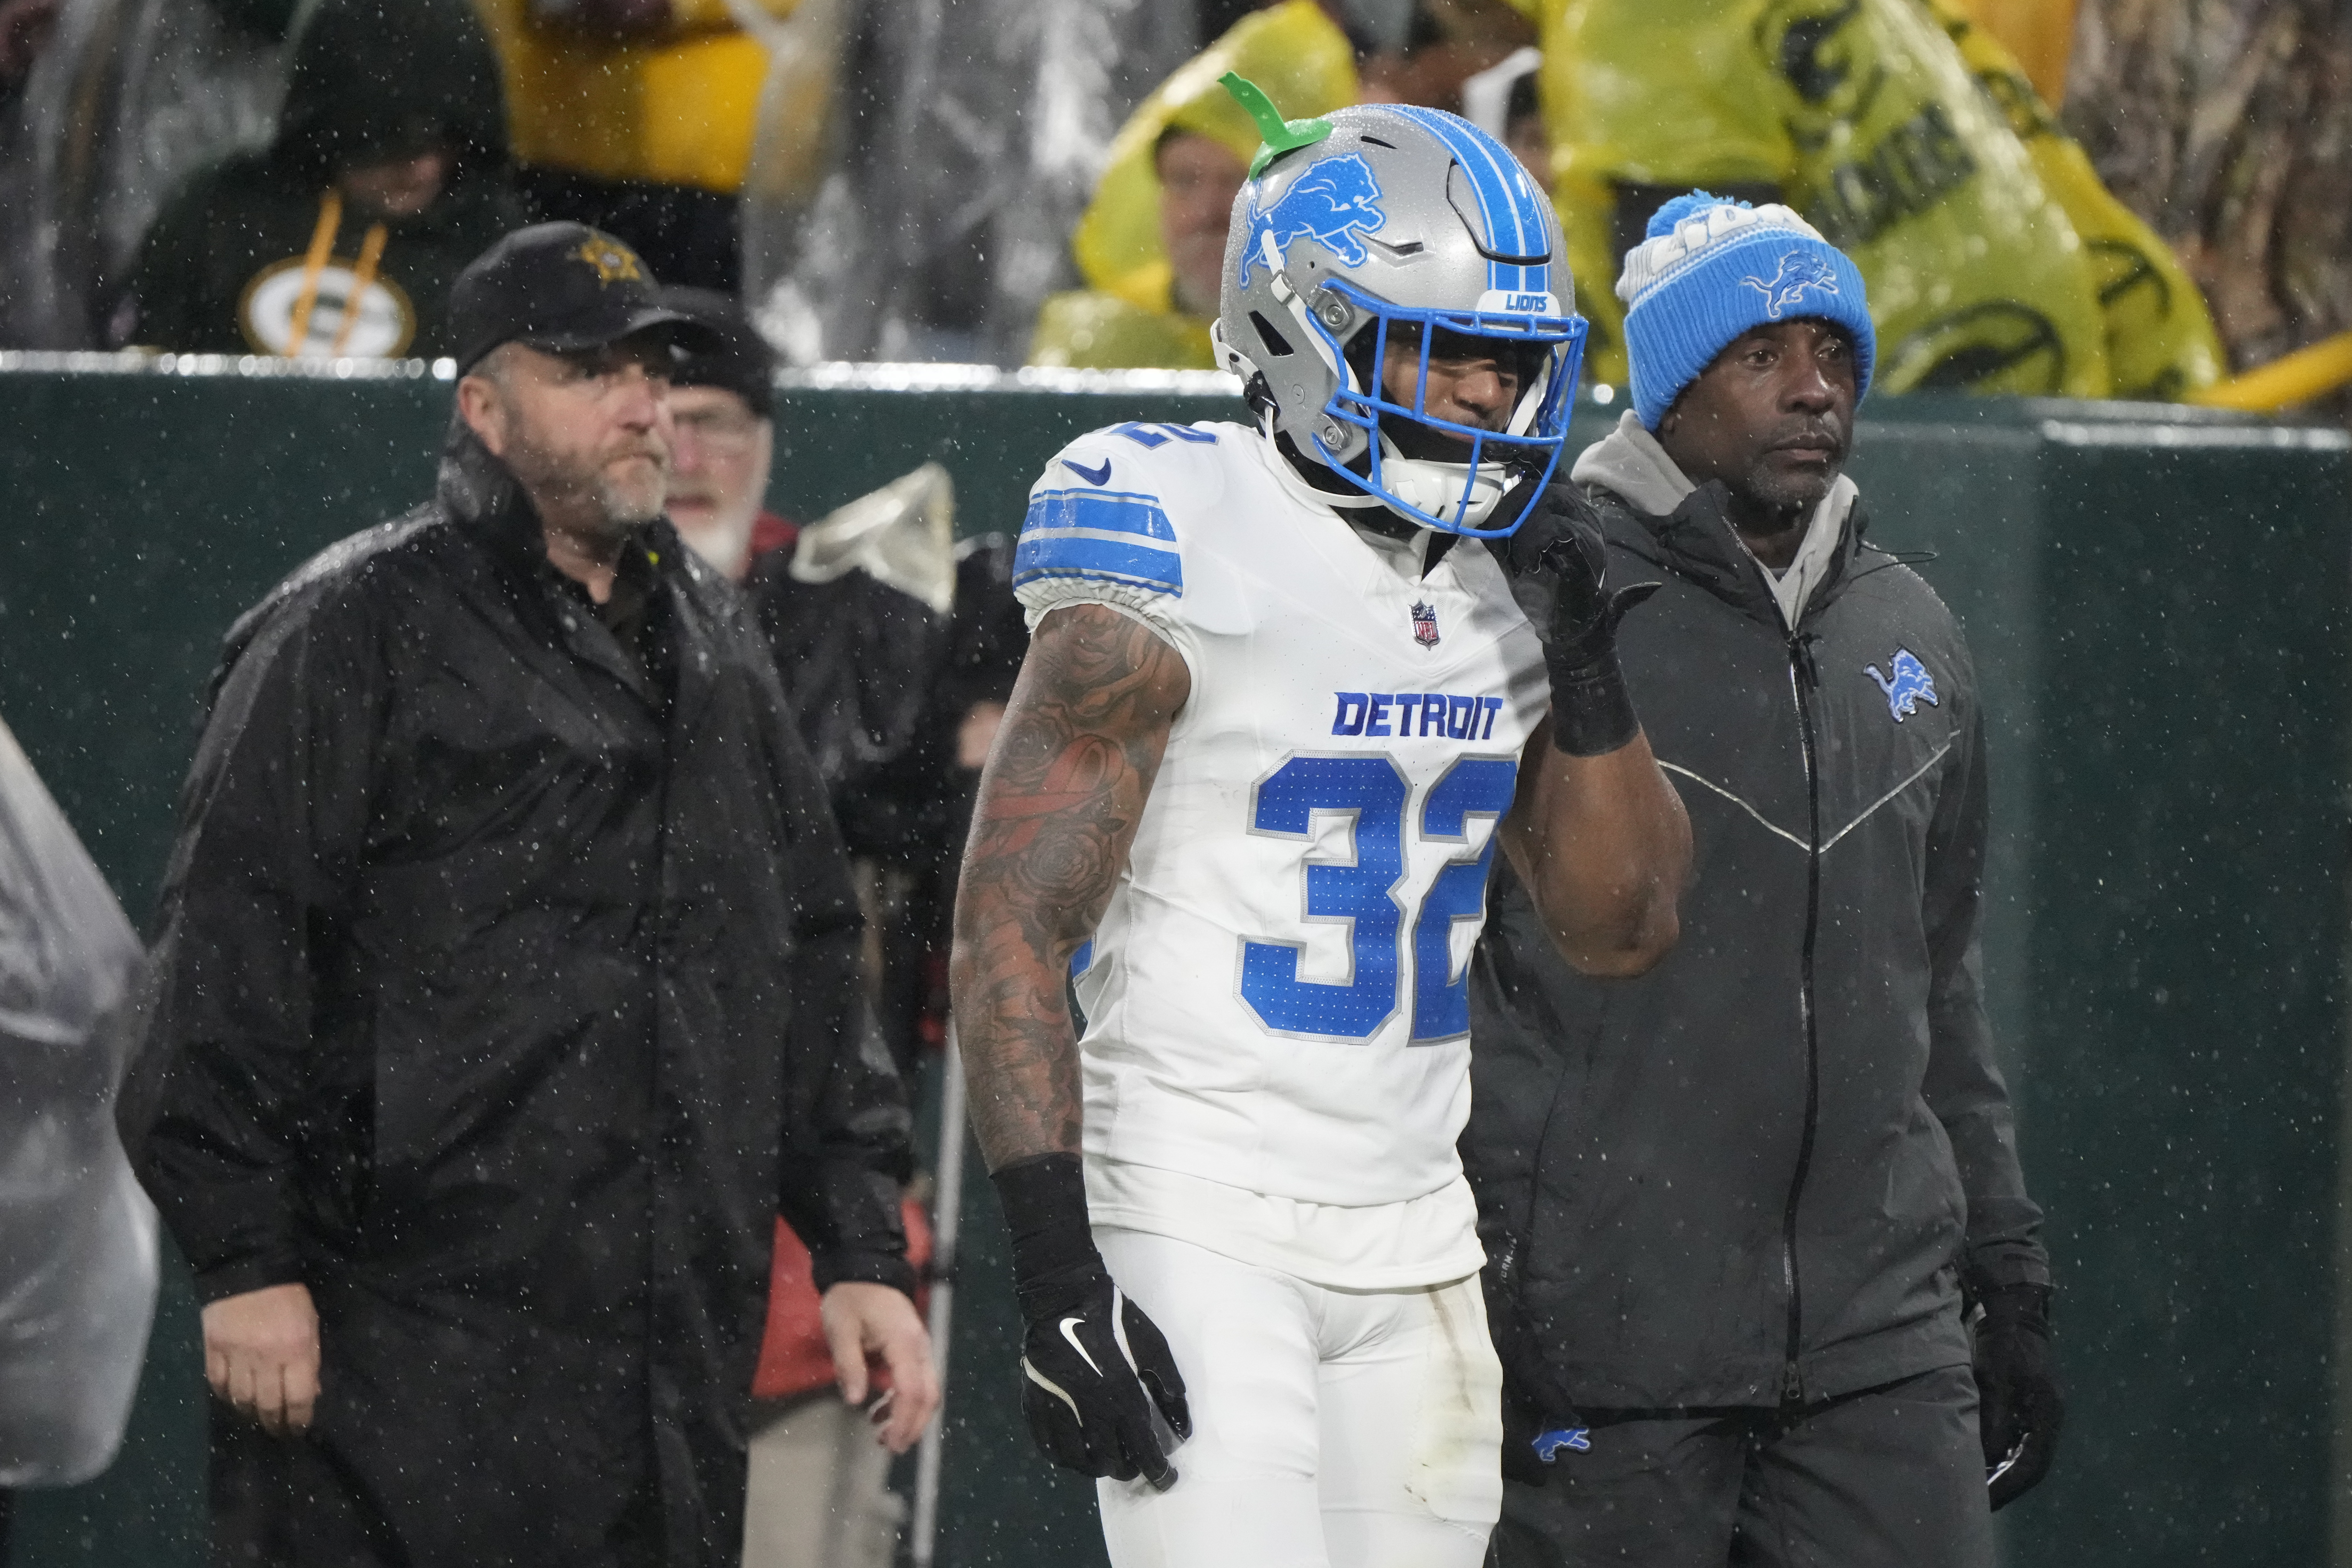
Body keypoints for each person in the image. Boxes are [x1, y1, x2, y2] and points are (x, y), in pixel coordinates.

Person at [115, 221, 938, 1568]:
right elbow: (224, 949)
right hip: (398, 1354)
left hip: (660, 1365)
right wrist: (245, 1258)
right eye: (586, 368)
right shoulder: (350, 626)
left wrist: (857, 1242)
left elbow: (796, 949)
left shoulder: (719, 646)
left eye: (651, 369)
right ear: (483, 409)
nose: (641, 400)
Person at [954, 82, 1692, 1567]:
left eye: (1513, 365)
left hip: (1418, 1222)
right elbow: (1008, 916)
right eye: (1452, 355)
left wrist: (1591, 666)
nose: (1493, 402)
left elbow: (1623, 929)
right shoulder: (1180, 524)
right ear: (1310, 333)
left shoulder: (1511, 579)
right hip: (1200, 1193)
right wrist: (1051, 1263)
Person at [1462, 192, 2062, 1567]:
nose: (1812, 390)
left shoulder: (1908, 623)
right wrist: (1480, 1284)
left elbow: (1938, 977)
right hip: (1598, 1348)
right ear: (1671, 387)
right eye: (1759, 355)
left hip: (1878, 1353)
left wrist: (2008, 1273)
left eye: (1833, 354)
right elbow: (1440, 964)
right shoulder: (1532, 594)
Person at [116, 0, 523, 357]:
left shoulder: (490, 245)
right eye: (394, 145)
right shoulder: (222, 214)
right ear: (330, 135)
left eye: (449, 142)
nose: (427, 169)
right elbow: (145, 389)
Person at [1028, 0, 1355, 372]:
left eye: (1238, 181)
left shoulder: (1350, 350)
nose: (1208, 212)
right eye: (1184, 181)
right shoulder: (1093, 348)